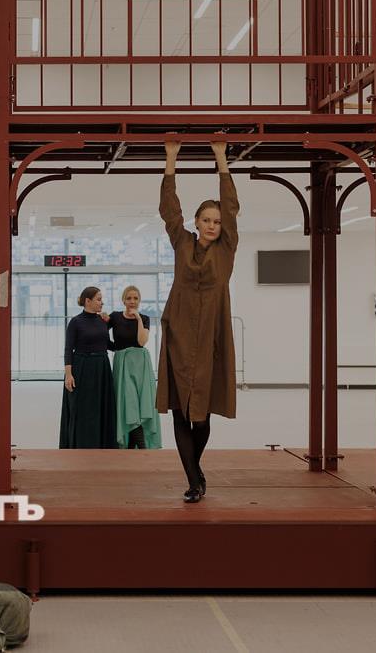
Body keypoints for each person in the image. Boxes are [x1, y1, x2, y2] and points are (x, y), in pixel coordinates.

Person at [158, 139, 239, 504]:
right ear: (196, 222)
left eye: (217, 221)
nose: (212, 225)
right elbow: (169, 210)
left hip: (210, 339)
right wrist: (171, 159)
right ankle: (194, 481)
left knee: (201, 417)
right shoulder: (182, 242)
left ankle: (196, 470)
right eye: (206, 220)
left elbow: (231, 206)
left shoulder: (226, 247)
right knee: (179, 412)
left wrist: (221, 157)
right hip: (178, 332)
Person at [59, 286, 118, 449]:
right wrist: (68, 375)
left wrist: (130, 342)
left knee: (101, 408)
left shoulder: (102, 321)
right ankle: (80, 445)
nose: (102, 302)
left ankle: (101, 446)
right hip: (82, 368)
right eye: (98, 299)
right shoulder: (76, 322)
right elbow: (68, 349)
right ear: (88, 301)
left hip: (102, 368)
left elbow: (108, 344)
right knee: (82, 409)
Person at [107, 286, 161, 450]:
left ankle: (133, 446)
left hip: (141, 365)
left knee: (141, 404)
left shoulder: (144, 318)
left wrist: (138, 319)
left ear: (139, 300)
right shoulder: (115, 317)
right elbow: (100, 333)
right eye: (129, 298)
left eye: (135, 298)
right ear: (123, 300)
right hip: (123, 363)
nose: (132, 301)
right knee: (129, 403)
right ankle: (141, 446)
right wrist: (115, 347)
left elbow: (142, 341)